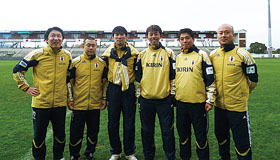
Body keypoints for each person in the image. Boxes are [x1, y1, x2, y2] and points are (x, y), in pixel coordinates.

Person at [12, 26, 72, 160]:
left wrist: (69, 97)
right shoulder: (37, 54)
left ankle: (59, 157)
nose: (56, 38)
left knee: (60, 135)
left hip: (60, 103)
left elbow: (68, 78)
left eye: (59, 36)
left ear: (62, 39)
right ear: (46, 39)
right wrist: (26, 87)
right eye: (53, 36)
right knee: (39, 135)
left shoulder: (67, 55)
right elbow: (17, 70)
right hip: (41, 103)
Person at [209, 24, 258, 160]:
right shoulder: (213, 55)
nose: (223, 35)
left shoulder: (242, 54)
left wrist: (243, 93)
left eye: (227, 32)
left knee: (242, 142)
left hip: (238, 107)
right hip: (219, 107)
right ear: (217, 36)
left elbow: (254, 79)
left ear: (233, 35)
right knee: (221, 137)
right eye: (220, 33)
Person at [135, 25, 176, 160]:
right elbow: (137, 78)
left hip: (164, 100)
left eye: (156, 34)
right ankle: (149, 156)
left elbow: (173, 76)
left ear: (160, 36)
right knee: (147, 131)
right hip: (146, 100)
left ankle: (170, 156)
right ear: (147, 37)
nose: (153, 36)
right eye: (151, 34)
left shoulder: (169, 53)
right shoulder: (141, 55)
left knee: (167, 131)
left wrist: (172, 94)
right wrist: (139, 96)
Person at [175, 28, 215, 160]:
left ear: (193, 39)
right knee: (183, 137)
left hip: (198, 105)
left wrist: (209, 100)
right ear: (179, 41)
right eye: (182, 39)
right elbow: (174, 80)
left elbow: (210, 80)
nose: (185, 41)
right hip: (181, 105)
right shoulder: (178, 58)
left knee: (201, 138)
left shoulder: (202, 55)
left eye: (187, 38)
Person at [102, 26, 139, 160]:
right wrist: (104, 96)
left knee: (129, 122)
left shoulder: (134, 54)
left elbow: (138, 74)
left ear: (126, 36)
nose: (119, 37)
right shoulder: (107, 54)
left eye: (122, 34)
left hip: (128, 90)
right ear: (113, 37)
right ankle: (115, 151)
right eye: (116, 34)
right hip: (114, 89)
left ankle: (129, 152)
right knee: (113, 122)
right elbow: (104, 77)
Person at [68, 37, 108, 160]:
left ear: (96, 47)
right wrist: (70, 99)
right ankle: (74, 154)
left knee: (93, 131)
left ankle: (89, 152)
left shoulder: (102, 64)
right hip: (79, 104)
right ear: (83, 47)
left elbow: (104, 83)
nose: (91, 48)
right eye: (88, 45)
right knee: (76, 131)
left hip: (95, 104)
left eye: (93, 45)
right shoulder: (75, 63)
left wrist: (104, 98)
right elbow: (69, 82)